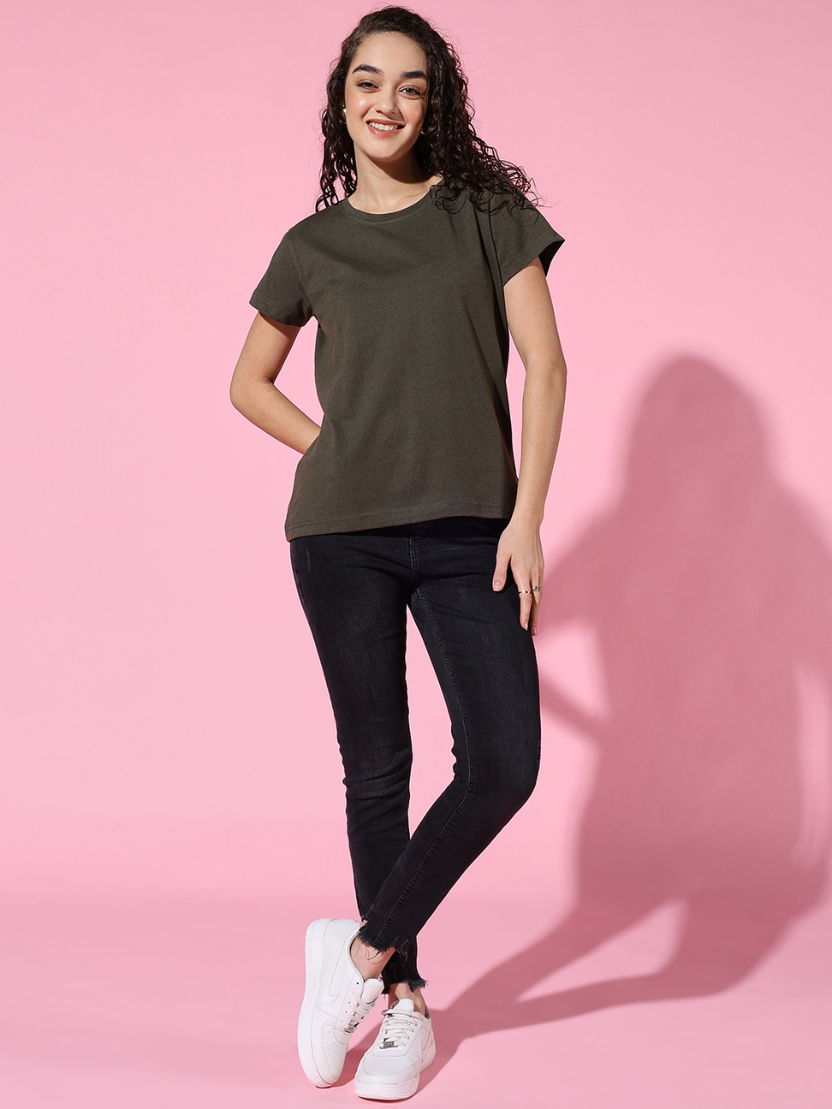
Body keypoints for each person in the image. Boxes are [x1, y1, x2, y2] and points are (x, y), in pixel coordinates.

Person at [230, 6, 567, 1099]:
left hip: (473, 531)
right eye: (367, 81)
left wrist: (525, 517)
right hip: (341, 536)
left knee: (503, 762)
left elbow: (547, 365)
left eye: (410, 85)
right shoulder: (311, 245)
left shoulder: (486, 213)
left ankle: (361, 951)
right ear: (341, 100)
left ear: (436, 104)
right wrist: (337, 450)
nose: (387, 102)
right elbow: (246, 384)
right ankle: (405, 1007)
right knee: (377, 768)